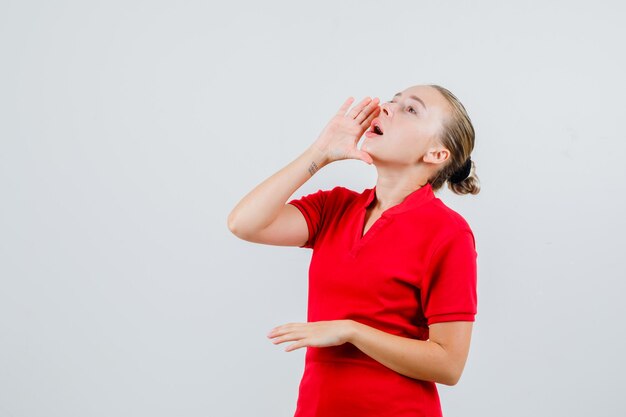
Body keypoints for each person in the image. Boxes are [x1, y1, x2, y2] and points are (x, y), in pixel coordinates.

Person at [227, 84, 480, 417]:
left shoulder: (449, 233)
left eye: (411, 109)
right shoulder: (335, 207)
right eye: (393, 100)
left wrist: (351, 330)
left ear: (436, 154)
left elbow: (449, 364)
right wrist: (321, 152)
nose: (387, 108)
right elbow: (244, 223)